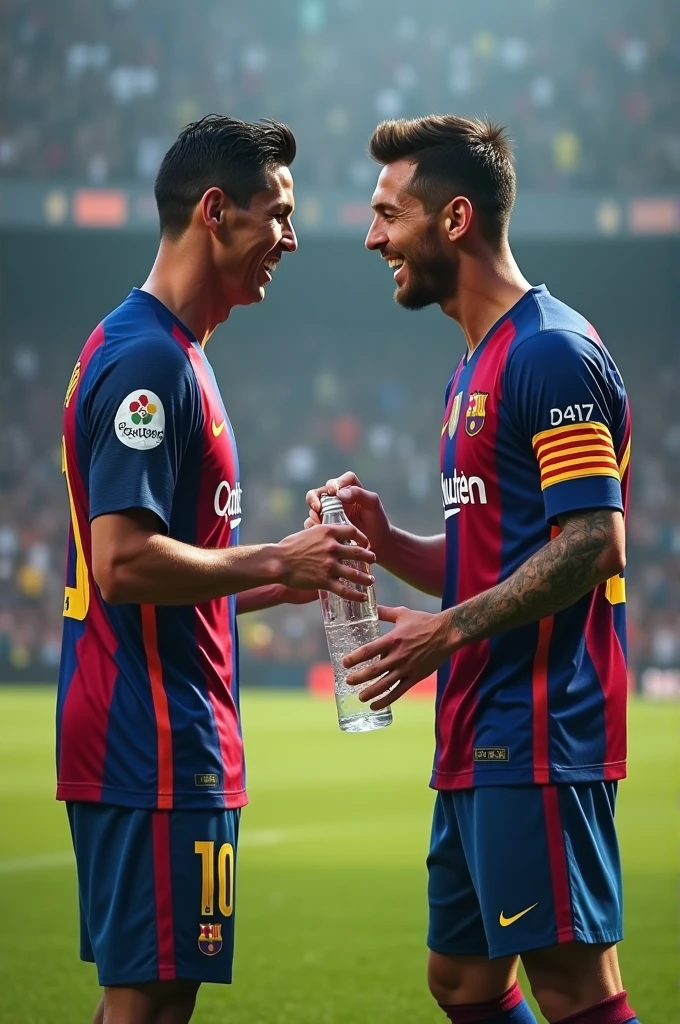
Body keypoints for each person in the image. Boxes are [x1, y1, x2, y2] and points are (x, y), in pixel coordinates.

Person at [306, 115, 640, 1024]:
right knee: (461, 981)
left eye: (388, 214)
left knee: (572, 986)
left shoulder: (549, 352)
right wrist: (386, 540)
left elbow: (591, 540)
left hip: (537, 733)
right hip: (477, 729)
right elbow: (481, 561)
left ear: (454, 219)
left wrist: (446, 633)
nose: (373, 237)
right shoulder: (472, 370)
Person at [57, 114, 376, 1024]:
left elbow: (181, 574)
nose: (291, 236)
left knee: (157, 998)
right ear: (214, 212)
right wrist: (277, 553)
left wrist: (297, 572)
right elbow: (121, 563)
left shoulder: (177, 352)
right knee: (149, 1003)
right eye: (277, 212)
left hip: (169, 728)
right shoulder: (149, 360)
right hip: (148, 732)